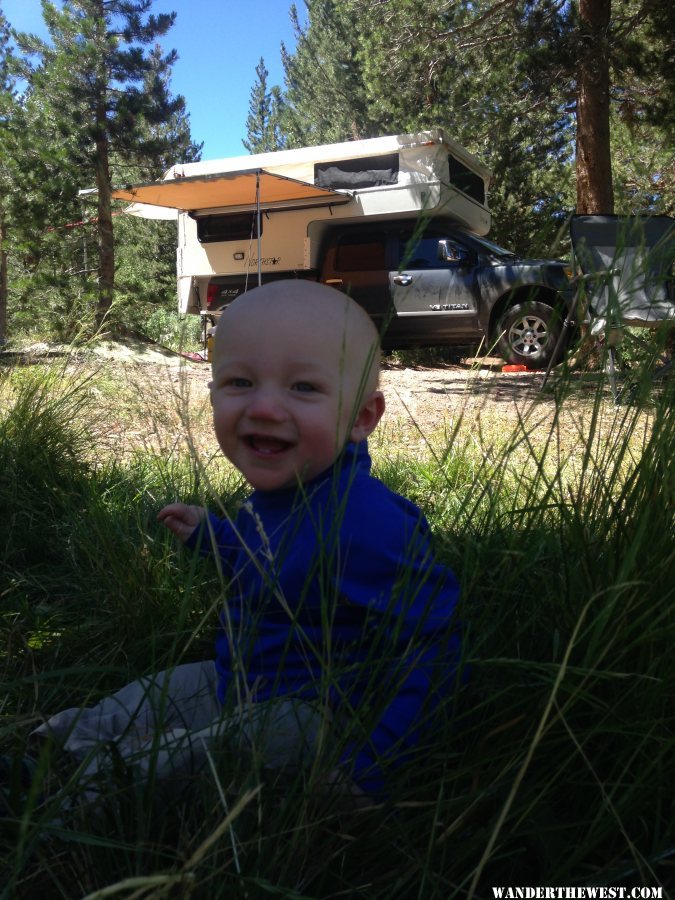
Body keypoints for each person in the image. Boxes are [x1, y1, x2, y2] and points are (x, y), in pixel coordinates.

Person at [20, 280, 462, 807]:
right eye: (240, 382)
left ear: (362, 417)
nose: (265, 407)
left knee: (213, 750)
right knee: (160, 693)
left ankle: (75, 790)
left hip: (320, 711)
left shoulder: (366, 523)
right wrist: (215, 538)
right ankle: (50, 749)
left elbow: (433, 649)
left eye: (303, 388)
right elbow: (275, 564)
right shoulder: (276, 493)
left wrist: (371, 765)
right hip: (238, 678)